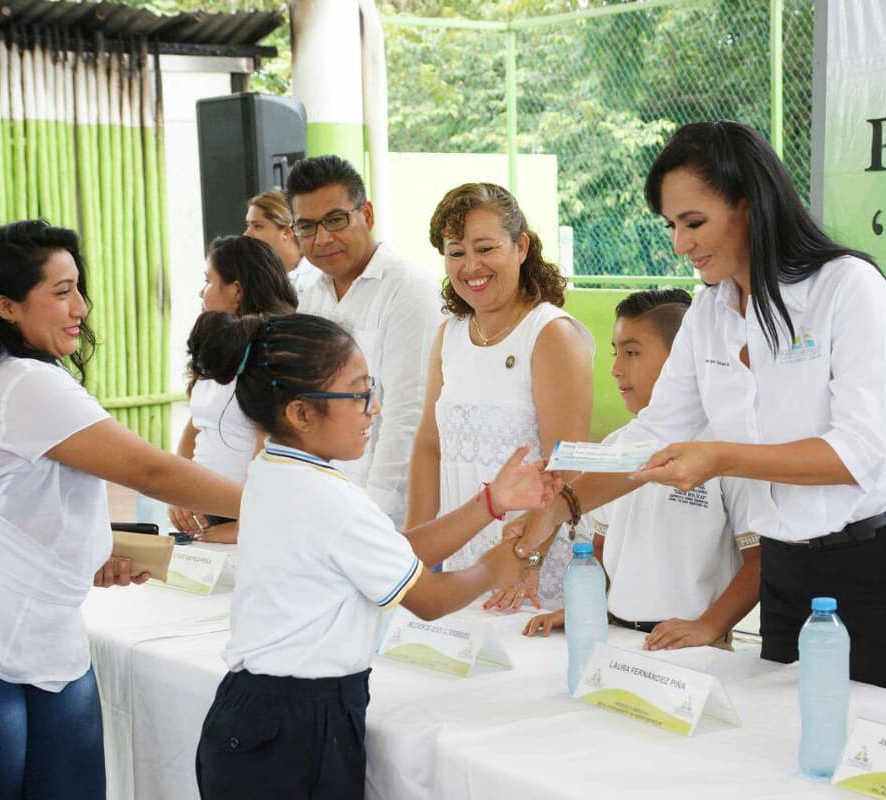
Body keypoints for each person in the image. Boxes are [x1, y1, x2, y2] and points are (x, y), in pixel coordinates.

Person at [508, 121, 886, 706]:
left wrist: (720, 456)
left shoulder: (847, 287)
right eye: (672, 225)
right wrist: (560, 505)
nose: (681, 243)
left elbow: (858, 452)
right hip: (789, 578)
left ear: (751, 205)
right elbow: (653, 433)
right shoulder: (710, 312)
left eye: (694, 222)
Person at [189, 311, 554, 799]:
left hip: (255, 713)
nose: (374, 407)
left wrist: (491, 504)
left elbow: (391, 553)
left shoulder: (274, 469)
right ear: (301, 412)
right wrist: (495, 567)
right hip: (298, 730)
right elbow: (429, 599)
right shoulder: (332, 499)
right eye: (359, 393)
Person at [0, 220, 243, 800]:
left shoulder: (25, 377)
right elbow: (152, 471)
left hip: (47, 641)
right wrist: (280, 503)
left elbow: (24, 507)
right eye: (60, 292)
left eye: (78, 287)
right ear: (6, 306)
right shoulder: (23, 383)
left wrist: (92, 552)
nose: (80, 307)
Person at [523, 289, 761, 648]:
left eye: (632, 353)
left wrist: (708, 627)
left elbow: (759, 561)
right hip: (618, 637)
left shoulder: (723, 449)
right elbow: (603, 550)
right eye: (615, 353)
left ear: (683, 358)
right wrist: (587, 608)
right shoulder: (616, 447)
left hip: (692, 646)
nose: (616, 369)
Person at [407, 182, 593, 609]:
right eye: (456, 253)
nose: (471, 266)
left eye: (485, 248)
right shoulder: (449, 335)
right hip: (461, 563)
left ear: (521, 246)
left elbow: (571, 468)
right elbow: (428, 446)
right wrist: (414, 552)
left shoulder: (551, 334)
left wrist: (528, 558)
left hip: (532, 568)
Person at [287, 156, 441, 526]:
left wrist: (373, 513)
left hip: (388, 513)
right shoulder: (312, 295)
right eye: (307, 227)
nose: (322, 238)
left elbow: (409, 415)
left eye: (336, 220)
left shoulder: (409, 292)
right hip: (326, 500)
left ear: (366, 215)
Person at [167, 235, 298, 542]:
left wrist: (246, 522)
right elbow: (195, 427)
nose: (201, 291)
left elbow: (271, 444)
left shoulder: (274, 349)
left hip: (250, 516)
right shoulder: (219, 345)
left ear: (237, 289)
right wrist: (178, 493)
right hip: (206, 511)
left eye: (208, 280)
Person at [244, 190, 321, 298]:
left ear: (286, 232)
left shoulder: (317, 280)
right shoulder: (261, 279)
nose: (247, 234)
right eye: (248, 225)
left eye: (257, 226)